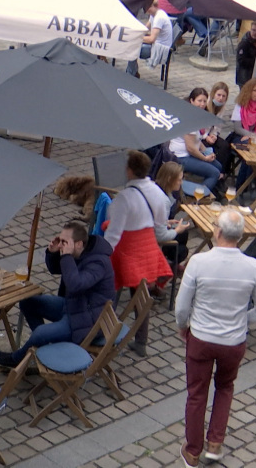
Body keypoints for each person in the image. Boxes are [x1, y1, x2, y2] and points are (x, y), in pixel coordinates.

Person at [175, 209, 256, 467]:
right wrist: (241, 321)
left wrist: (183, 325)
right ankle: (215, 444)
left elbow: (182, 306)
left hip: (201, 338)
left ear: (217, 231)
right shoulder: (252, 266)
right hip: (233, 342)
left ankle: (192, 450)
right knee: (225, 387)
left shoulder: (198, 263)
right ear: (240, 236)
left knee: (196, 394)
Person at [0, 221, 115, 368]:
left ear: (79, 244)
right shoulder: (79, 251)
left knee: (41, 333)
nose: (61, 245)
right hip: (74, 307)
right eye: (60, 240)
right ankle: (43, 349)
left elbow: (75, 285)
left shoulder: (98, 263)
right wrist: (53, 253)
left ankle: (17, 360)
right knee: (28, 302)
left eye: (64, 242)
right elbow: (57, 269)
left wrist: (66, 256)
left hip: (87, 322)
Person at [105, 150, 173, 357]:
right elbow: (160, 221)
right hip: (148, 246)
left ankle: (105, 335)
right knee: (140, 296)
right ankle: (141, 340)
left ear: (129, 170)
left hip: (126, 248)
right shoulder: (157, 192)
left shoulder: (124, 198)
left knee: (111, 292)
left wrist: (101, 255)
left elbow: (114, 234)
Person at [168, 88, 224, 195]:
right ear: (191, 101)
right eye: (199, 101)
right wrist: (204, 158)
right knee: (214, 173)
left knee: (218, 166)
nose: (202, 104)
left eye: (204, 101)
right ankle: (197, 196)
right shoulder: (189, 119)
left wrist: (207, 152)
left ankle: (208, 189)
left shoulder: (195, 116)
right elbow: (191, 148)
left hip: (189, 153)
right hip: (181, 156)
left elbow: (197, 140)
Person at [126, 0, 172, 77]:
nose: (147, 10)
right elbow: (145, 29)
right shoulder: (154, 15)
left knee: (132, 49)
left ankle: (130, 75)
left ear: (155, 6)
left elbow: (151, 39)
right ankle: (133, 72)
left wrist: (137, 38)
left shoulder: (159, 18)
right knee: (133, 45)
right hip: (156, 45)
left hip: (160, 49)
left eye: (149, 7)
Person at [155, 162, 190, 265]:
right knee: (183, 250)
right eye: (179, 179)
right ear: (170, 179)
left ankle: (172, 262)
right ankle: (167, 266)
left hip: (149, 229)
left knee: (184, 232)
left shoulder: (155, 188)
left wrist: (167, 221)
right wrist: (177, 230)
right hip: (151, 240)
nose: (181, 182)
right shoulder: (163, 201)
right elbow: (160, 237)